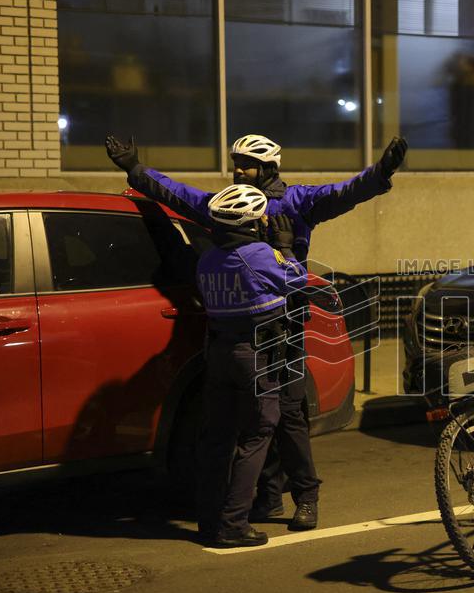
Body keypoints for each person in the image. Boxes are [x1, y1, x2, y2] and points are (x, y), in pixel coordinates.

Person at [106, 133, 408, 531]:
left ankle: (306, 497)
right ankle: (268, 498)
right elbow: (179, 195)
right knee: (256, 421)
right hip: (243, 330)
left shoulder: (297, 201)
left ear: (268, 168)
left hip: (287, 322)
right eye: (236, 164)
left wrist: (381, 172)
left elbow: (345, 193)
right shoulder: (227, 204)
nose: (238, 171)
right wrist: (135, 169)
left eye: (247, 165)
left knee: (289, 415)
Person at [193, 183, 306, 547]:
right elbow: (298, 280)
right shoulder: (258, 254)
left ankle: (209, 522)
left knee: (217, 440)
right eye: (262, 218)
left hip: (218, 354)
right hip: (254, 356)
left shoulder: (207, 259)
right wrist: (285, 248)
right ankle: (234, 525)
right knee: (257, 434)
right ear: (252, 222)